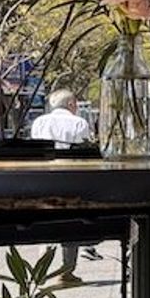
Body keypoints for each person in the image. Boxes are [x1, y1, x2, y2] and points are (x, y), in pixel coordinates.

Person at [30, 91, 95, 283]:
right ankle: (66, 271)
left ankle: (41, 271)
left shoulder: (39, 122)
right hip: (71, 177)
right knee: (71, 223)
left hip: (45, 177)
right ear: (71, 104)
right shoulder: (79, 123)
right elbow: (84, 150)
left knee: (47, 222)